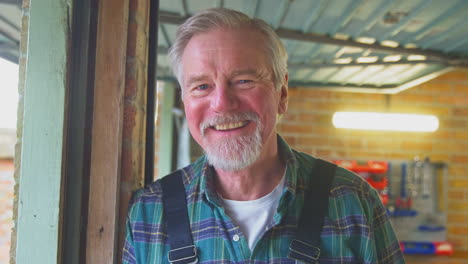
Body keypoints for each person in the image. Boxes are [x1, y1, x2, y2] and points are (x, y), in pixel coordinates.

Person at [123, 8, 404, 264]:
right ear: (184, 99)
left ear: (281, 94)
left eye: (244, 81)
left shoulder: (352, 202)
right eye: (201, 86)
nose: (221, 103)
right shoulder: (149, 213)